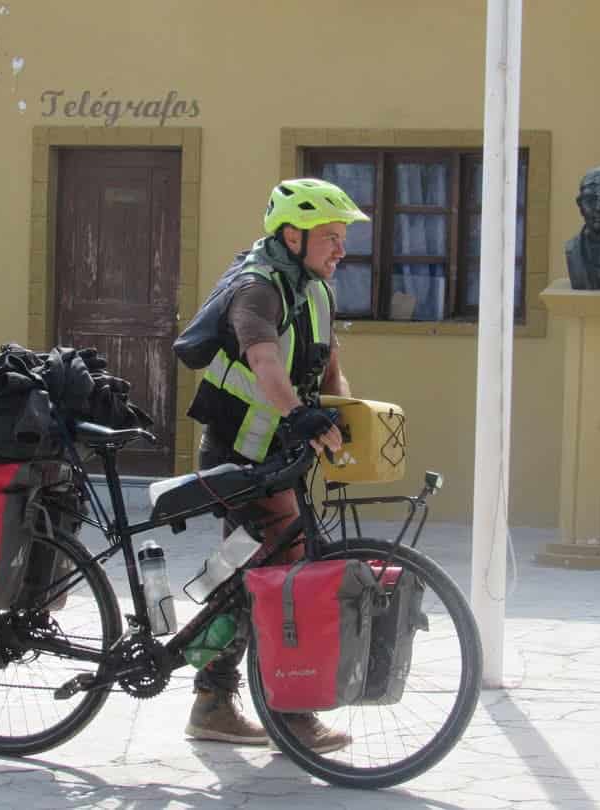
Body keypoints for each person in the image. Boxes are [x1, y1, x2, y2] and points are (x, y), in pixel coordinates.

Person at [182, 178, 368, 753]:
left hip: (277, 458)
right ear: (293, 235)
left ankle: (211, 696)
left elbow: (330, 366)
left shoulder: (315, 290)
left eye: (342, 238)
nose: (341, 249)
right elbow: (265, 362)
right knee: (284, 573)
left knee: (243, 574)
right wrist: (299, 416)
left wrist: (345, 420)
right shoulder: (258, 290)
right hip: (237, 457)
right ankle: (289, 712)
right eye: (331, 238)